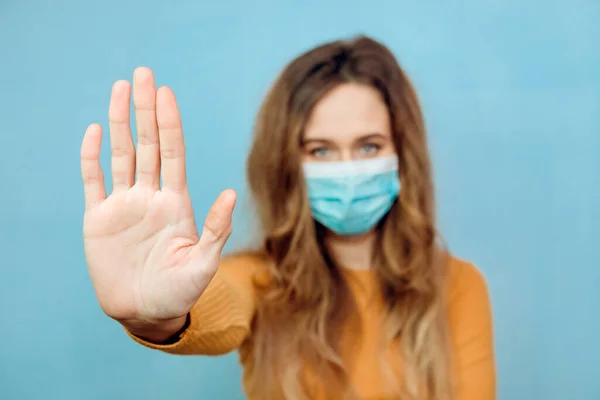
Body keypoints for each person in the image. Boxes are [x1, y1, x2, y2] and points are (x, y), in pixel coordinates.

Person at [80, 36, 495, 400]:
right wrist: (157, 317)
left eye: (369, 146)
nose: (347, 168)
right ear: (287, 165)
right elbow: (212, 305)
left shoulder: (458, 287)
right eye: (320, 150)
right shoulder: (259, 281)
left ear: (404, 156)